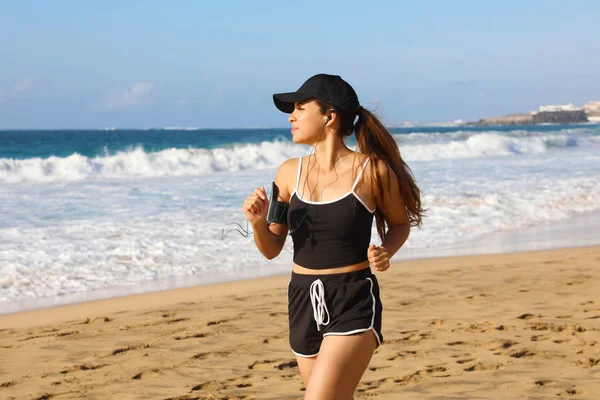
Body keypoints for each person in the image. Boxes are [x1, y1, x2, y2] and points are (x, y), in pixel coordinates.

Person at [242, 73, 423, 399]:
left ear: (330, 115)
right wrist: (257, 222)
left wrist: (386, 251)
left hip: (352, 299)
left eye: (299, 107)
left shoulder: (372, 171)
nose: (291, 117)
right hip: (301, 301)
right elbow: (271, 249)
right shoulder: (287, 173)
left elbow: (400, 224)